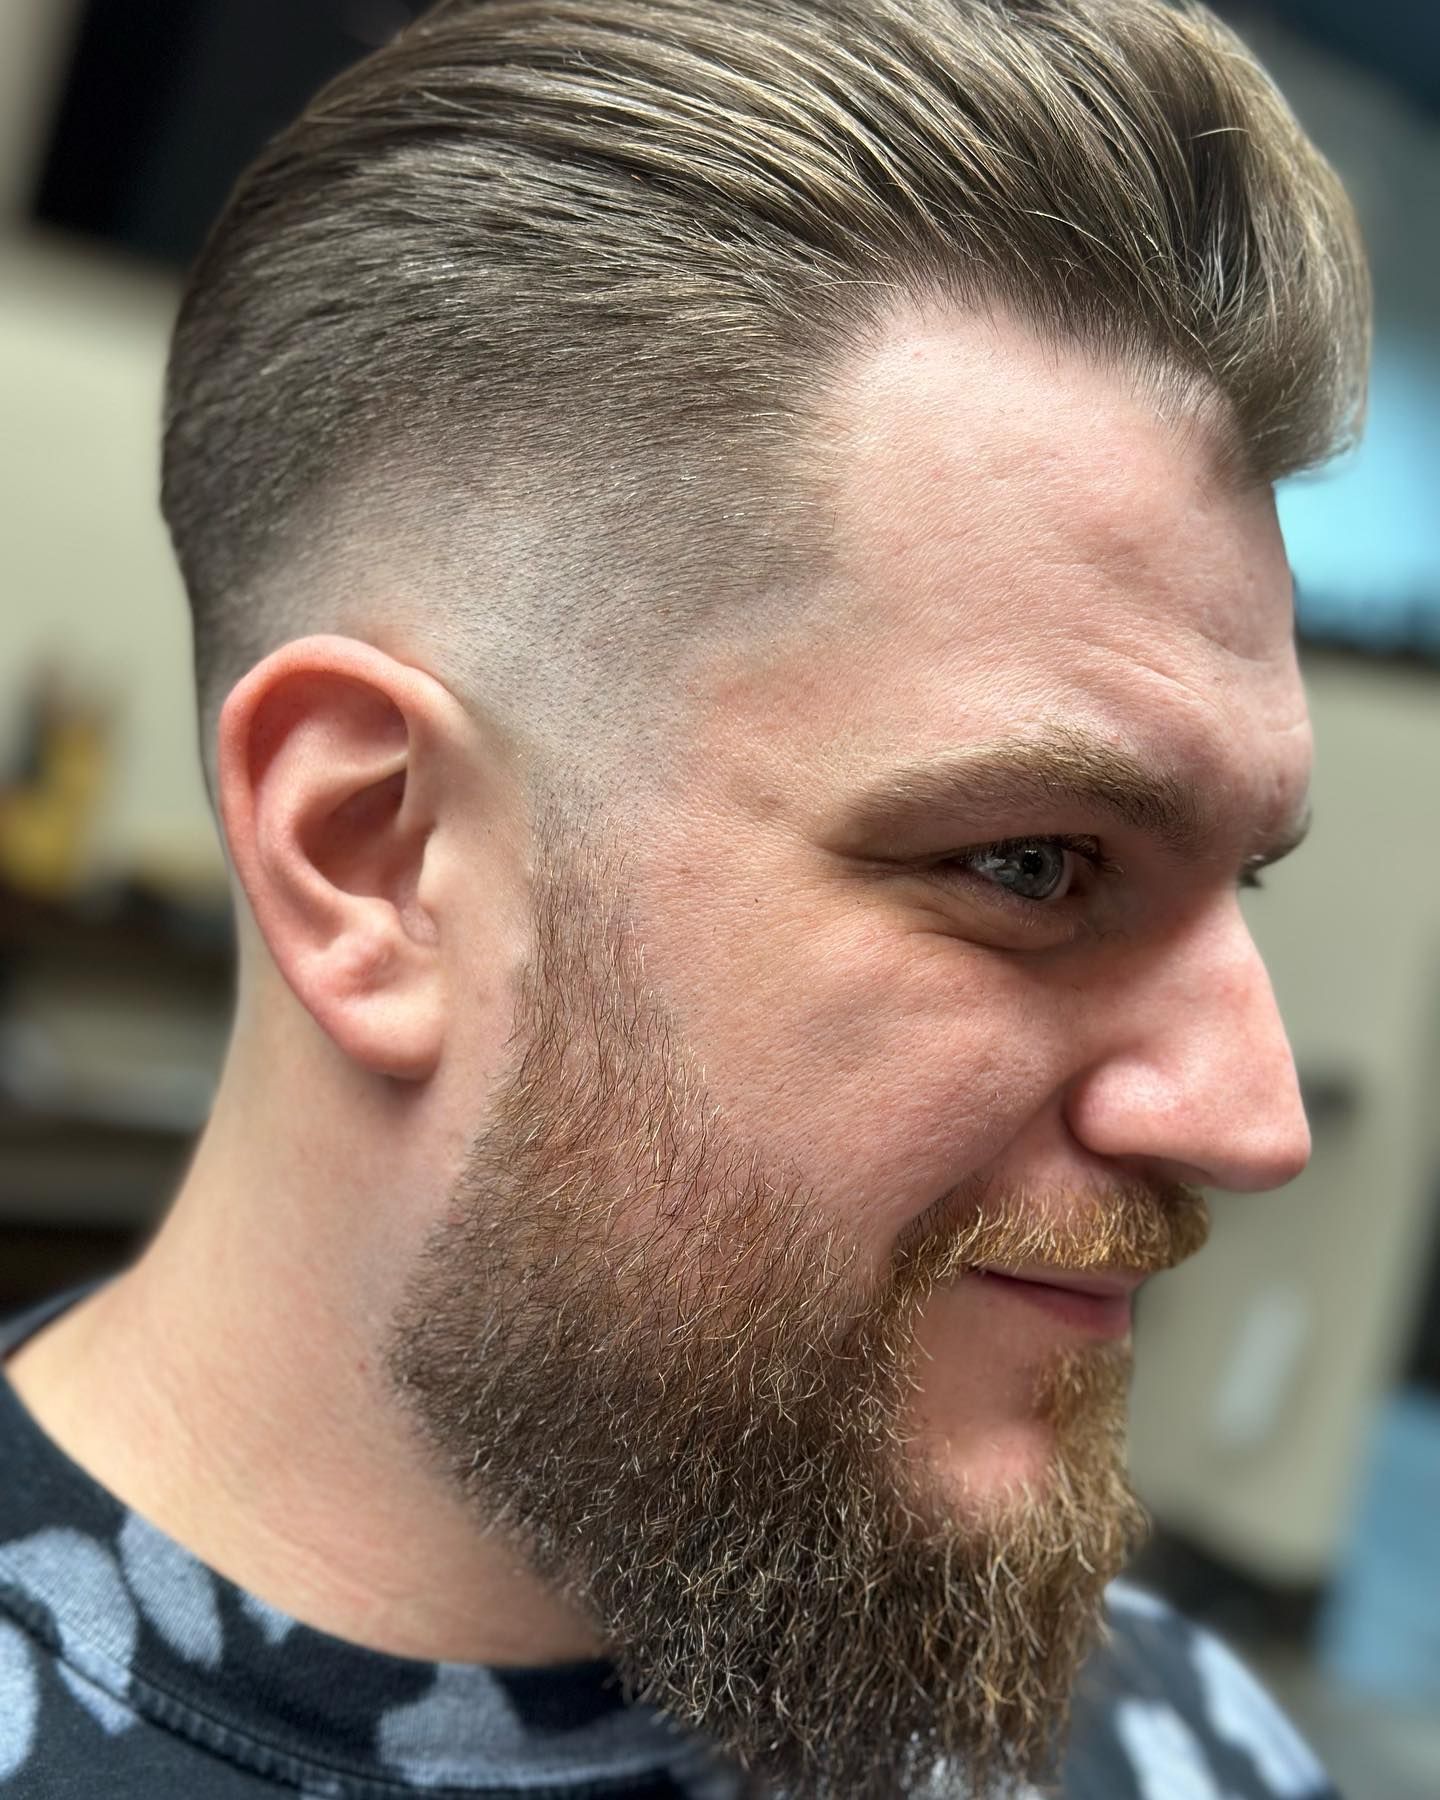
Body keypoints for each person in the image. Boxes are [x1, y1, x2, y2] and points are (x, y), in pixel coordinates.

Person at [0, 0, 1369, 1794]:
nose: (1255, 1125)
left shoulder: (1184, 1742)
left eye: (1242, 878)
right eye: (1032, 867)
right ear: (376, 860)